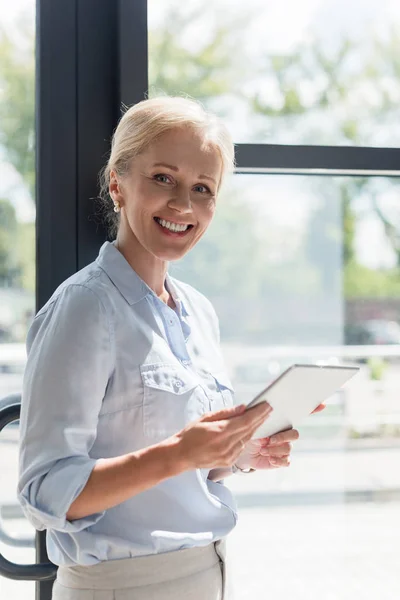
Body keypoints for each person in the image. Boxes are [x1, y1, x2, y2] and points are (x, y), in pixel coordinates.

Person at [17, 96, 319, 600]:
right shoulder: (85, 307)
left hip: (208, 574)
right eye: (163, 178)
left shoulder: (197, 311)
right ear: (117, 183)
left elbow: (174, 461)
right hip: (122, 587)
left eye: (203, 189)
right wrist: (179, 453)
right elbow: (44, 492)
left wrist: (240, 452)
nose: (183, 204)